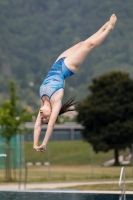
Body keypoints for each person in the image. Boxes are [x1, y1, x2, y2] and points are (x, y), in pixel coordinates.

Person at [33, 14, 117, 152]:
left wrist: (35, 144)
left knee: (81, 44)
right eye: (44, 117)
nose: (41, 116)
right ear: (52, 112)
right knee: (88, 45)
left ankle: (103, 26)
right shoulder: (55, 102)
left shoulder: (43, 103)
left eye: (41, 117)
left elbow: (37, 126)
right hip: (67, 68)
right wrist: (44, 144)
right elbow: (51, 125)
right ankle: (109, 28)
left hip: (57, 64)